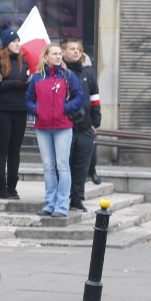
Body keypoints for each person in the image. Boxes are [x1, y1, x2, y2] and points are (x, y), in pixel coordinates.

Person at [26, 43, 85, 218]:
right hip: (43, 127)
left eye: (60, 53)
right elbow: (28, 99)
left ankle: (61, 206)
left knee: (62, 166)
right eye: (55, 54)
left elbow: (80, 96)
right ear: (46, 57)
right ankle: (49, 204)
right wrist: (37, 110)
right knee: (48, 167)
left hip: (63, 127)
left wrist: (65, 109)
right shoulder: (37, 78)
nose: (59, 56)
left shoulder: (68, 76)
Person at [61, 38, 101, 212]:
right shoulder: (59, 72)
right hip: (65, 126)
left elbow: (95, 97)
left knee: (81, 165)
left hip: (85, 127)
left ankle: (77, 198)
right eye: (72, 49)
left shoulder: (87, 72)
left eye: (78, 49)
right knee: (65, 164)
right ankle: (63, 196)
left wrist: (96, 122)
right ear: (63, 52)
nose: (76, 52)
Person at [0, 28, 29, 200]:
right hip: (1, 111)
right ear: (6, 44)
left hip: (20, 110)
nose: (17, 44)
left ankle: (12, 188)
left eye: (18, 41)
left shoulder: (24, 62)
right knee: (2, 149)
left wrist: (5, 84)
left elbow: (25, 83)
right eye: (14, 41)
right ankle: (1, 188)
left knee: (15, 150)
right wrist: (15, 84)